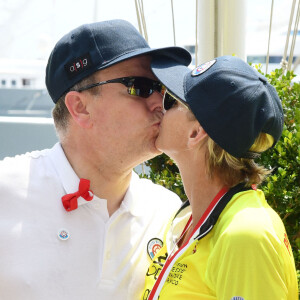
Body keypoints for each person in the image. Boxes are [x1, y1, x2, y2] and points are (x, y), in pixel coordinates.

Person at [0, 19, 192, 300]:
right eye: (139, 87)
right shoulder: (5, 194)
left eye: (162, 90)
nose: (158, 103)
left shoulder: (166, 212)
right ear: (80, 108)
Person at [143, 56, 298, 300]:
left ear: (195, 133)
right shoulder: (185, 220)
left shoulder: (246, 235)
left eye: (170, 100)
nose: (160, 107)